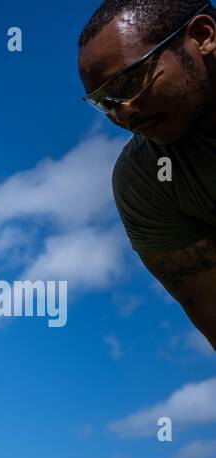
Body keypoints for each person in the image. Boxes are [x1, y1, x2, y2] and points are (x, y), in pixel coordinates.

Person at [79, 0, 216, 349]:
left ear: (203, 36)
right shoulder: (145, 180)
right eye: (105, 103)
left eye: (129, 82)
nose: (123, 114)